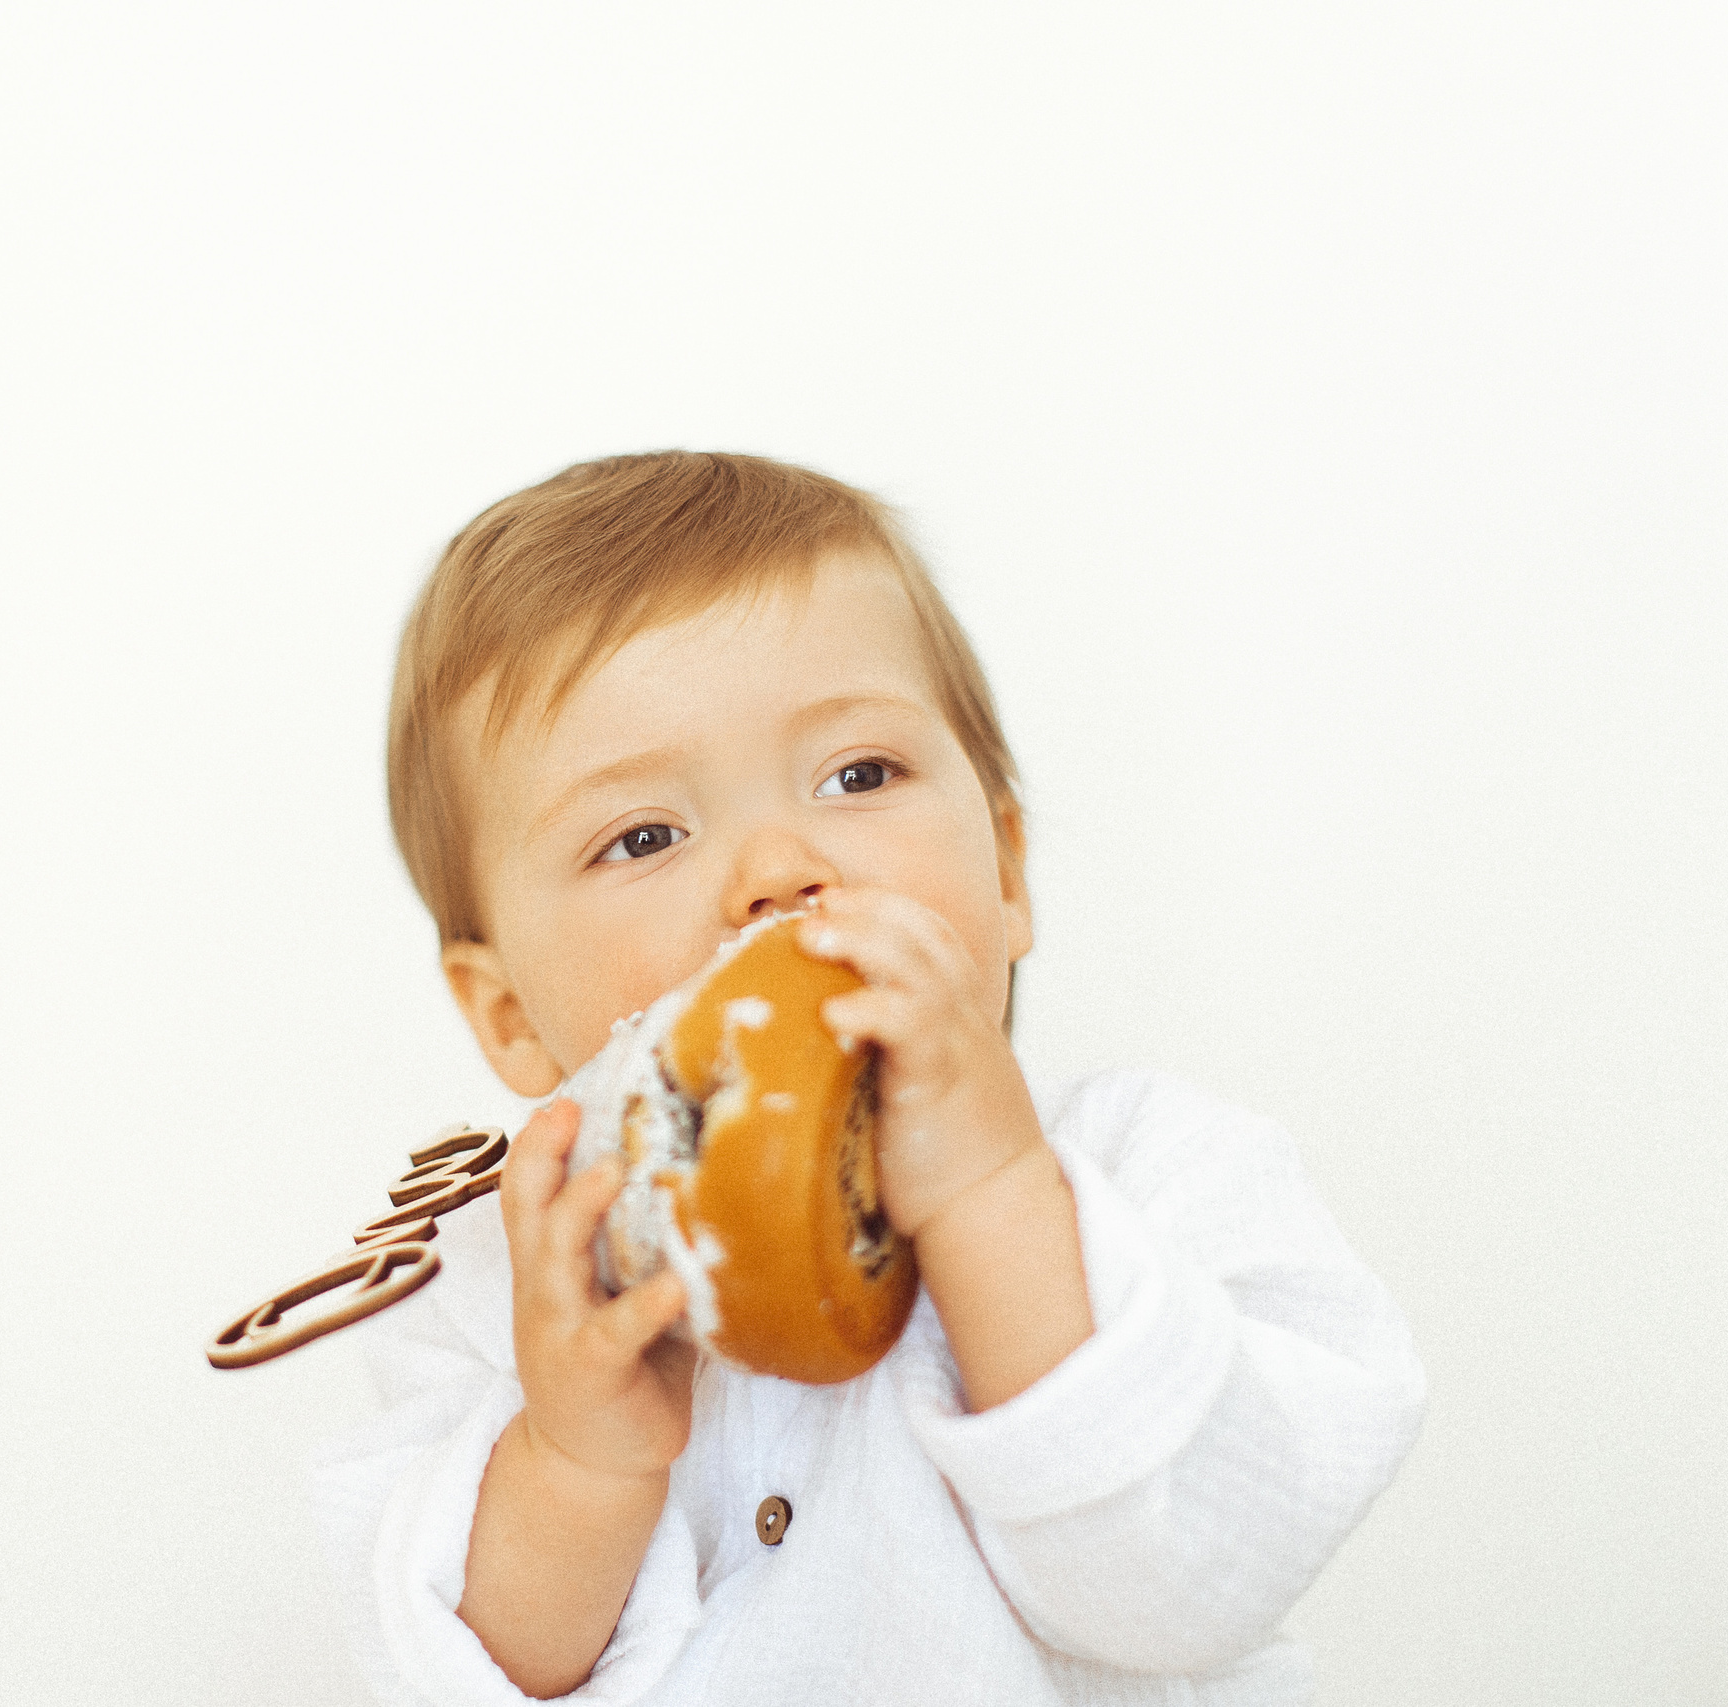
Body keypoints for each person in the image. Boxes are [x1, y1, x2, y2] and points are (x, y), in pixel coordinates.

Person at [312, 451, 1424, 1705]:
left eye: (858, 775)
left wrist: (994, 1191)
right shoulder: (510, 1284)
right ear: (510, 1015)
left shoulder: (1157, 1168)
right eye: (644, 837)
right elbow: (448, 1670)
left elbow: (1200, 1583)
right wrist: (575, 1461)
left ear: (1005, 875)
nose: (778, 872)